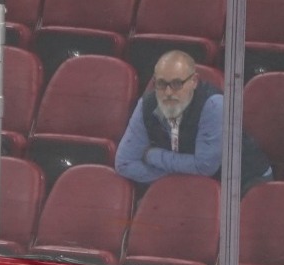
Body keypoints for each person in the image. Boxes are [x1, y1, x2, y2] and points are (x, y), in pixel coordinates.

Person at [114, 50, 271, 188]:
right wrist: (174, 182)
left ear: (194, 81)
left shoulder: (214, 105)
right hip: (192, 185)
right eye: (161, 84)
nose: (168, 92)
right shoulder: (146, 105)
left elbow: (204, 167)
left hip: (243, 183)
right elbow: (124, 163)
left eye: (177, 84)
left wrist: (152, 156)